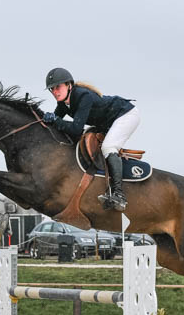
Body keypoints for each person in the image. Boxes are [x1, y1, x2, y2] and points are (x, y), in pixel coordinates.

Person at [42, 67, 138, 211]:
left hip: (126, 114)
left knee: (108, 147)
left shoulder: (82, 96)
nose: (55, 92)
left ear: (69, 85)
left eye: (58, 87)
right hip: (108, 122)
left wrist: (55, 120)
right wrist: (47, 119)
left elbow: (75, 129)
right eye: (52, 89)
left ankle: (119, 195)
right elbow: (55, 123)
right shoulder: (63, 104)